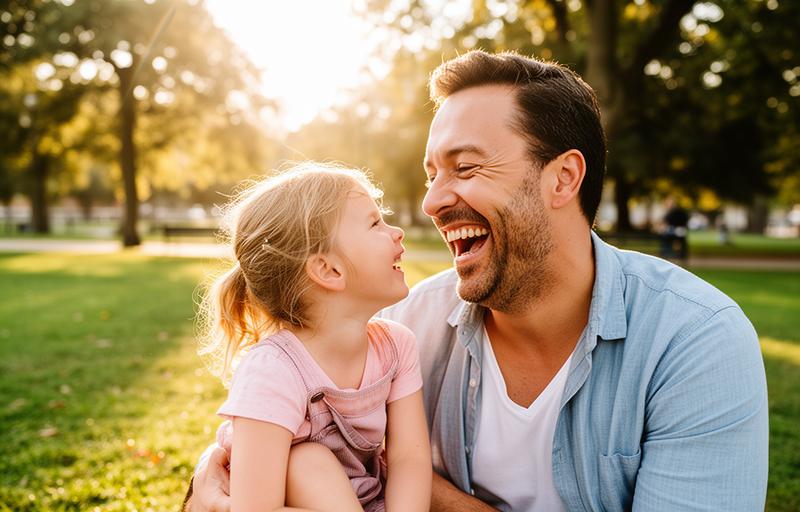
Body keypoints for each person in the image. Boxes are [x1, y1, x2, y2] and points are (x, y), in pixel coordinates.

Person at [188, 51, 768, 511]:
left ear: (563, 178)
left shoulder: (694, 342)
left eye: (465, 168)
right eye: (432, 173)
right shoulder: (401, 325)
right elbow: (267, 455)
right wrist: (207, 490)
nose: (434, 201)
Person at [193, 163, 431, 511]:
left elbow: (409, 458)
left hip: (366, 500)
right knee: (307, 461)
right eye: (375, 223)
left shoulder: (396, 345)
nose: (396, 232)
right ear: (328, 270)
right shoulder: (273, 370)